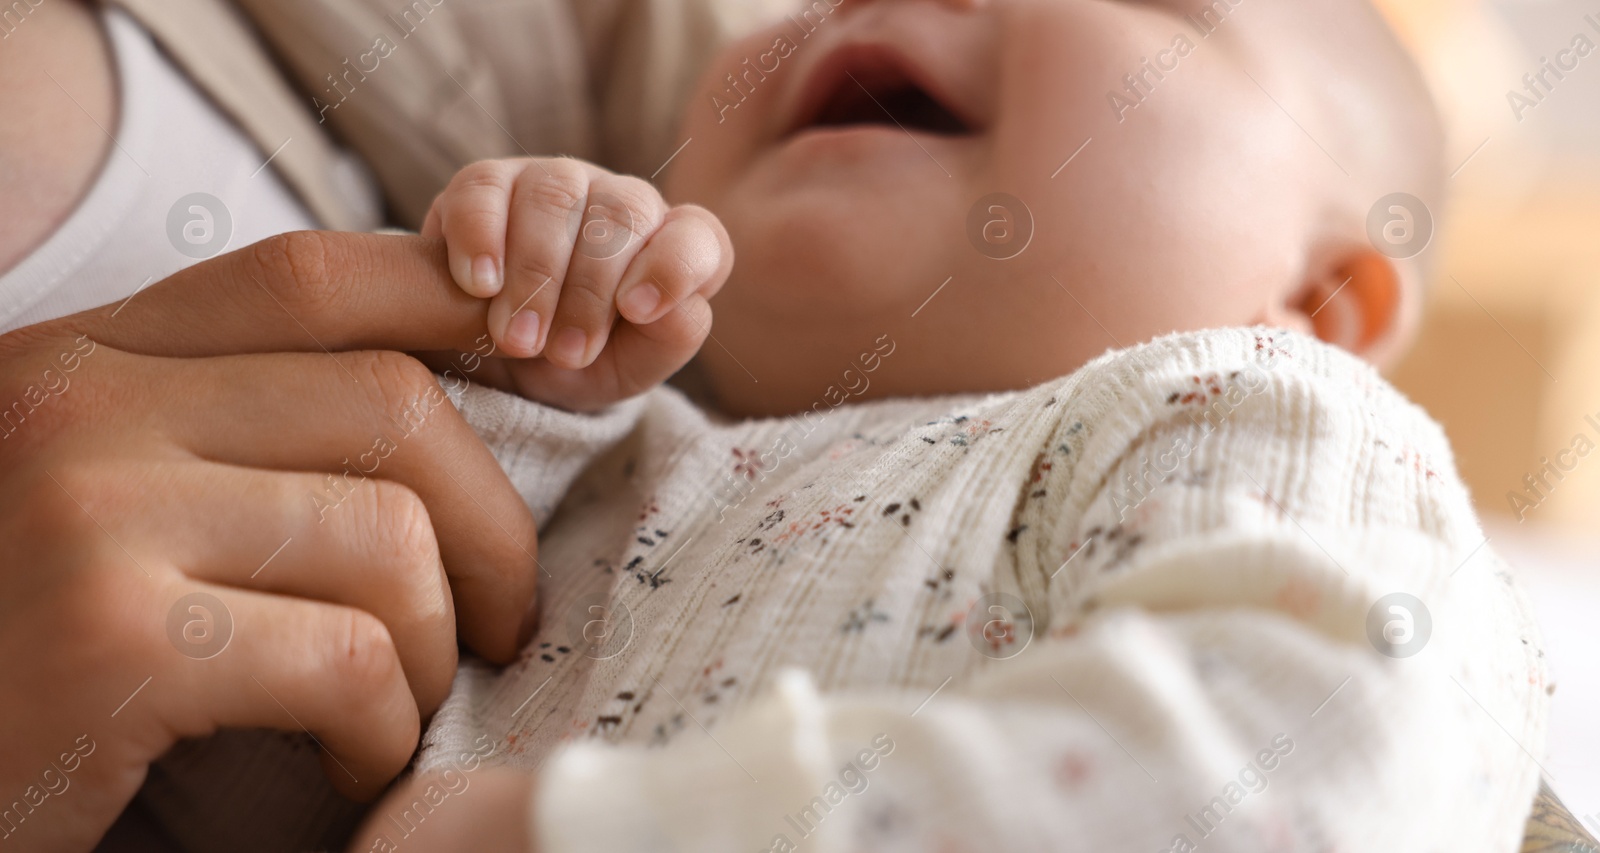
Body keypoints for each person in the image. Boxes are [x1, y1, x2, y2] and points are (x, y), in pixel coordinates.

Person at [338, 0, 1544, 851]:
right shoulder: (643, 454)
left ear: (1315, 303)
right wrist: (527, 351)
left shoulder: (1263, 419)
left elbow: (1324, 768)